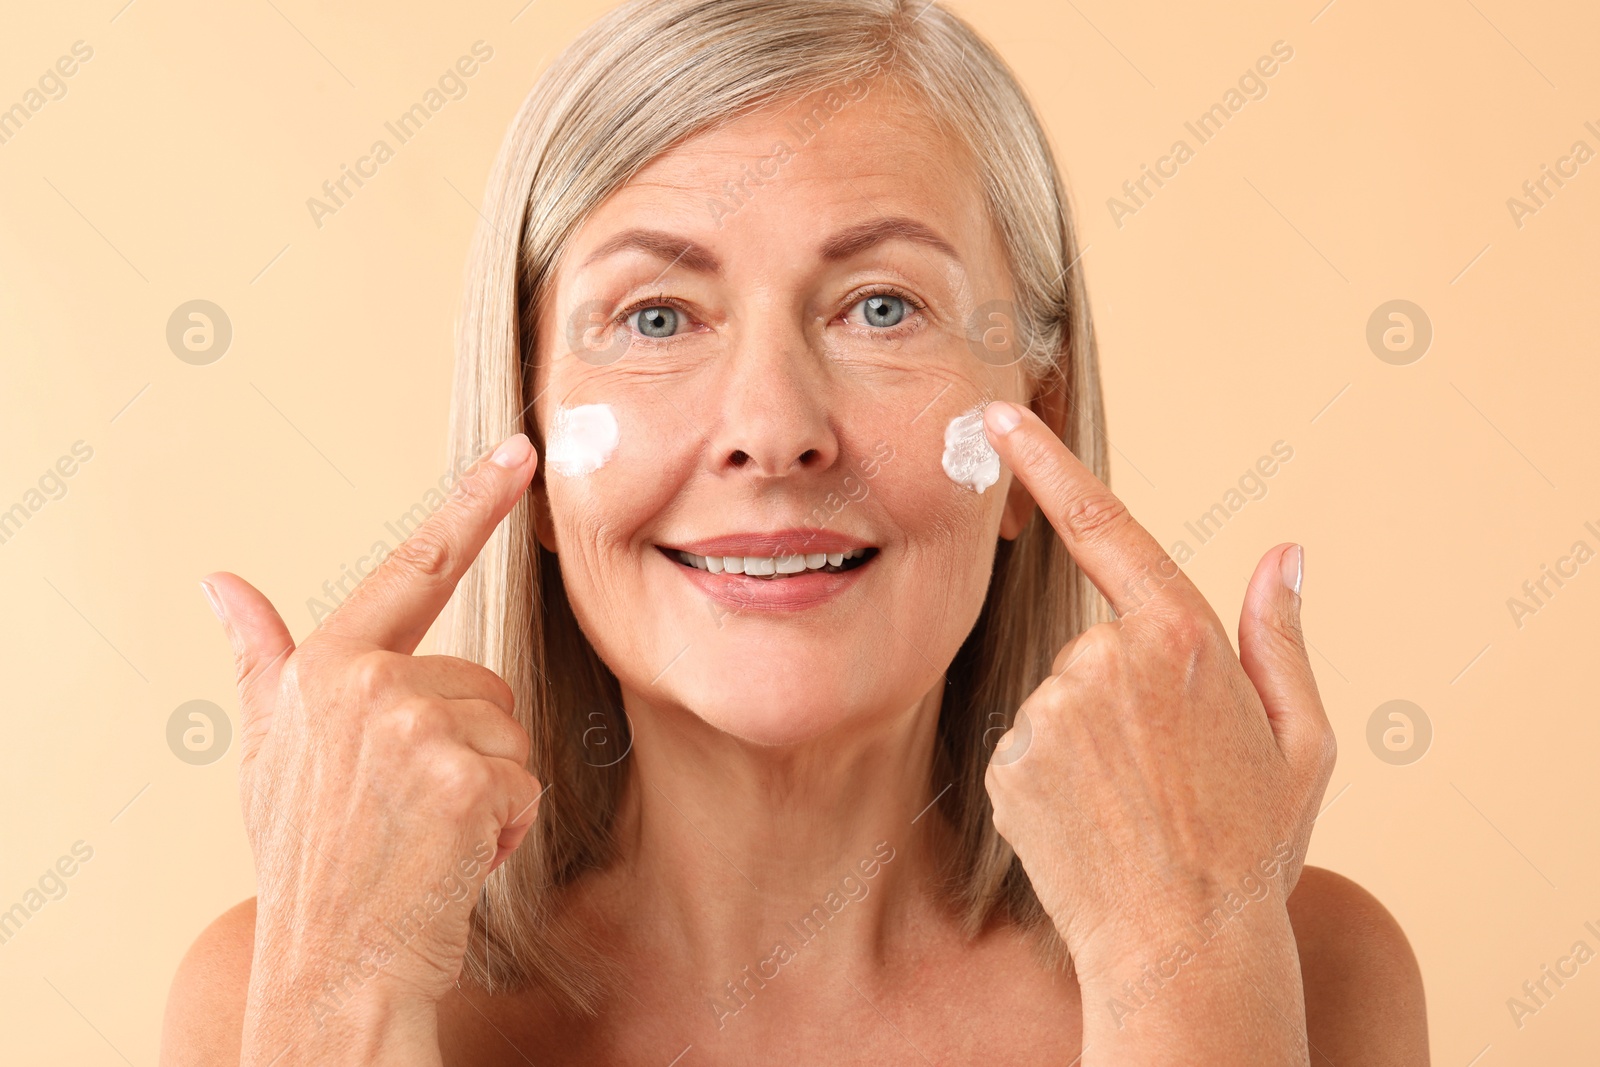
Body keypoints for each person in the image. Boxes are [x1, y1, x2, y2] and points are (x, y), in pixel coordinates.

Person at [162, 0, 1429, 1062]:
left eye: (881, 307)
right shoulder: (270, 983)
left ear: (1033, 415)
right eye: (656, 318)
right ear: (530, 440)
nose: (773, 431)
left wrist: (1190, 958)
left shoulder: (1309, 964)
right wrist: (339, 996)